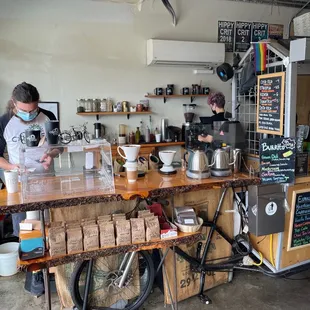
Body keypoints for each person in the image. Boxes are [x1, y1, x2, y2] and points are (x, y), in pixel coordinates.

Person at [0, 82, 60, 237]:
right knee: (24, 232)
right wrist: (13, 167)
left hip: (47, 182)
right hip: (20, 186)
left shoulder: (48, 117)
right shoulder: (4, 122)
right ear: (14, 103)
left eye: (33, 110)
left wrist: (51, 155)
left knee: (49, 229)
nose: (28, 114)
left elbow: (58, 146)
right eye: (23, 110)